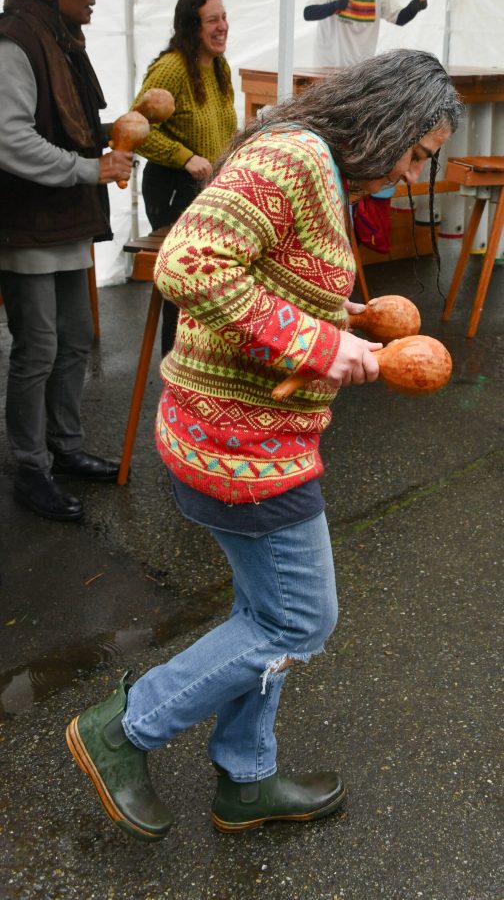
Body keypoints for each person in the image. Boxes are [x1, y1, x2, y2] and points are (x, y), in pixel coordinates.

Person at [66, 49, 462, 839]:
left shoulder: (315, 164)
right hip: (241, 450)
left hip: (238, 435)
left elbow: (267, 278)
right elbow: (188, 263)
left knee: (262, 612)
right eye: (418, 152)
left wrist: (345, 319)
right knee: (296, 622)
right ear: (391, 121)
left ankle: (245, 778)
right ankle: (123, 729)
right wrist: (319, 346)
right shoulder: (296, 155)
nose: (411, 170)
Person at [0, 0, 133, 522]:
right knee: (38, 350)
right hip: (28, 223)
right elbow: (9, 137)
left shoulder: (59, 38)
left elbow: (64, 123)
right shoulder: (15, 42)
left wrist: (117, 134)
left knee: (75, 338)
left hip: (66, 218)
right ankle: (31, 467)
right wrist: (89, 168)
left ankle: (65, 447)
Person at [131, 0, 237, 355]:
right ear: (192, 27)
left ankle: (203, 364)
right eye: (212, 20)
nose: (222, 26)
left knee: (210, 284)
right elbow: (136, 128)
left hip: (211, 192)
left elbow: (222, 128)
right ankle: (174, 372)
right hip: (173, 189)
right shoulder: (171, 69)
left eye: (224, 17)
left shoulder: (219, 66)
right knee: (181, 287)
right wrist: (184, 156)